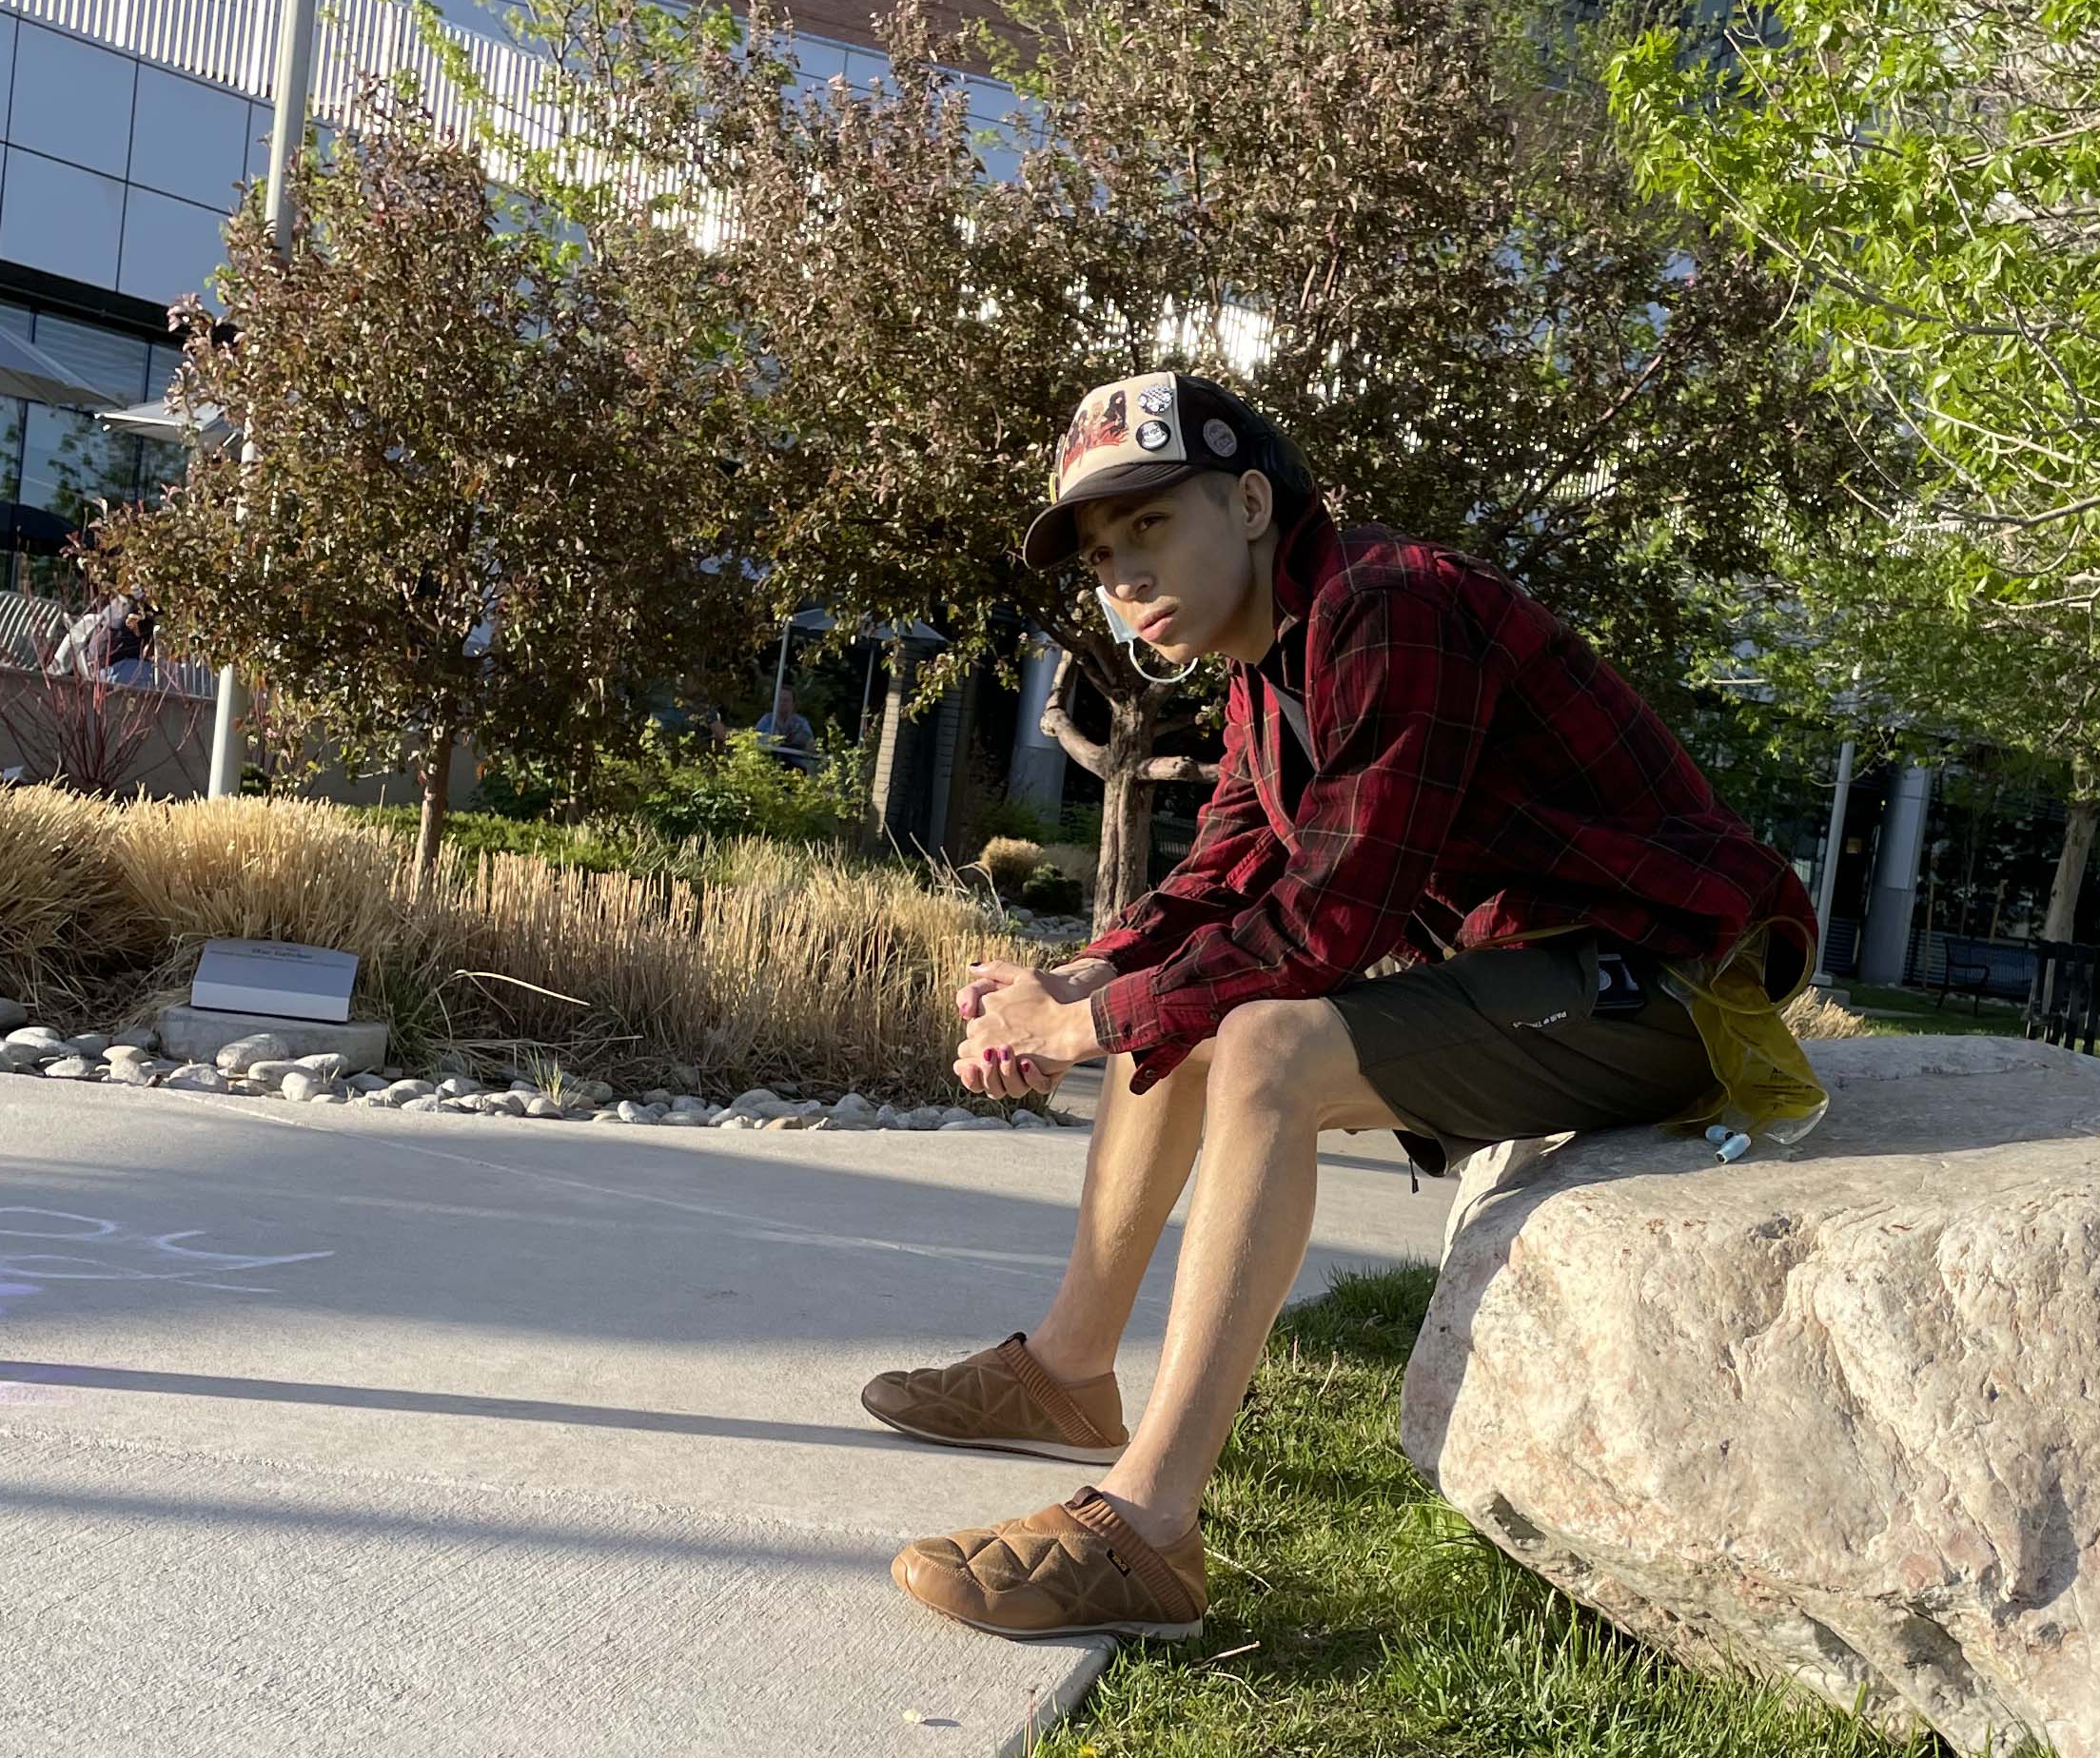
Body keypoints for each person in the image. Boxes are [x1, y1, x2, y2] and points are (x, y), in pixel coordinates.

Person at [870, 371, 1822, 1644]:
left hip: (1670, 983)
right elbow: (1222, 879)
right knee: (1190, 1004)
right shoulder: (1272, 663)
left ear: (1251, 501)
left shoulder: (1388, 609)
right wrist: (1080, 982)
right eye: (1101, 555)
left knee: (1262, 1035)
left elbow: (1333, 918)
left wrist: (1079, 1032)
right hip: (1548, 975)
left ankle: (1149, 1529)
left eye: (1151, 526)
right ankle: (1067, 1376)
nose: (1123, 577)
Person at [752, 683, 815, 765]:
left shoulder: (801, 723)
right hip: (768, 761)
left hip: (794, 764)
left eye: (786, 700)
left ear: (793, 703)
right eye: (779, 699)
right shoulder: (767, 720)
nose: (782, 703)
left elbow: (810, 743)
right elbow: (754, 738)